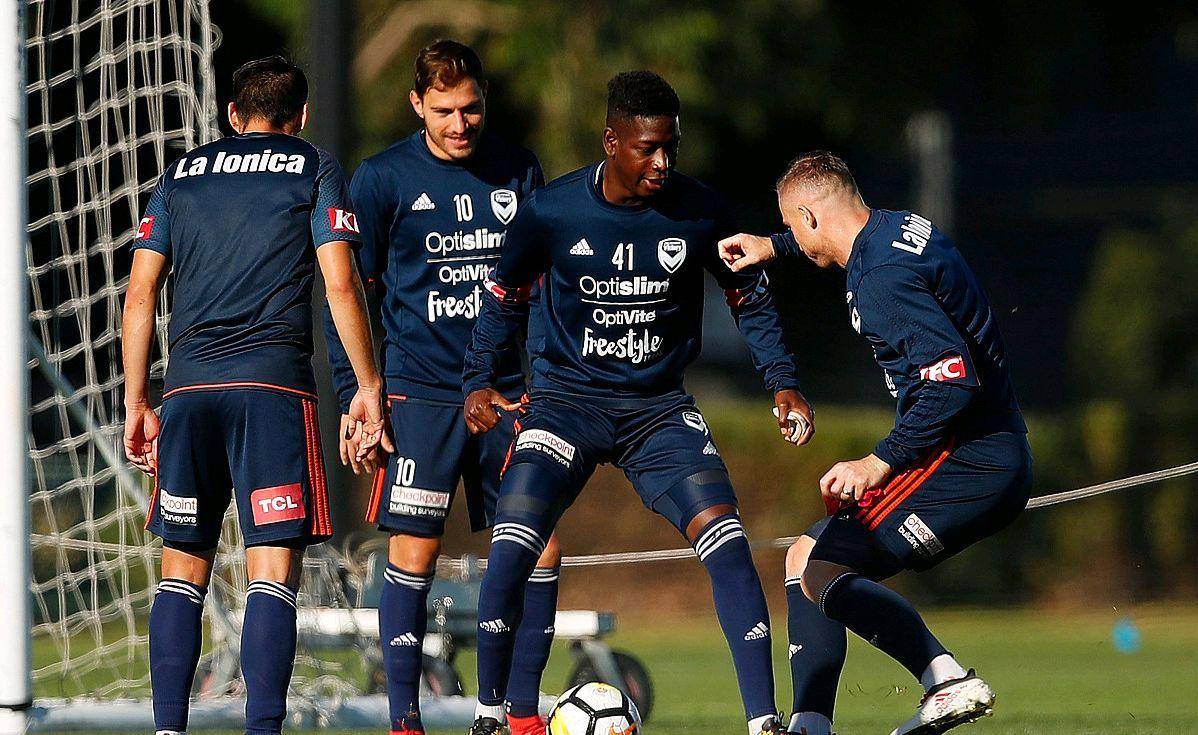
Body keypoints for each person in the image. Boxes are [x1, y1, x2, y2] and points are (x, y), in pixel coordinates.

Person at [462, 70, 815, 735]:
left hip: (657, 410)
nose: (662, 163)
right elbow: (502, 297)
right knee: (514, 537)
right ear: (611, 142)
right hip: (565, 403)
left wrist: (782, 380)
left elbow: (748, 297)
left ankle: (765, 722)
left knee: (727, 539)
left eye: (671, 147)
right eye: (648, 148)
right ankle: (490, 715)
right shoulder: (551, 210)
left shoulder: (701, 210)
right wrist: (477, 380)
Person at [718, 151, 1032, 735]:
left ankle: (945, 680)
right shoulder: (895, 230)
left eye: (791, 226)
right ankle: (810, 724)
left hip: (969, 457)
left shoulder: (879, 279)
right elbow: (836, 235)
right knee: (804, 557)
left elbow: (953, 378)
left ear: (810, 217)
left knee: (822, 566)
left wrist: (877, 461)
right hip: (986, 450)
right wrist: (773, 246)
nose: (792, 236)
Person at [121, 56, 387, 735]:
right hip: (271, 389)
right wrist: (367, 385)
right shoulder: (312, 166)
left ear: (233, 115)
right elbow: (339, 282)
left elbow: (141, 291)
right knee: (271, 569)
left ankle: (168, 729)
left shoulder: (181, 173)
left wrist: (136, 401)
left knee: (182, 570)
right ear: (301, 116)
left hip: (188, 388)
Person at [322, 40, 558, 735]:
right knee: (414, 553)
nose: (461, 124)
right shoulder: (381, 178)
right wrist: (358, 392)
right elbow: (347, 294)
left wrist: (548, 380)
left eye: (472, 108)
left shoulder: (520, 169)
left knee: (541, 546)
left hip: (505, 395)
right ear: (417, 105)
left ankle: (517, 716)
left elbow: (546, 286)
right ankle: (405, 719)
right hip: (418, 396)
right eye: (445, 110)